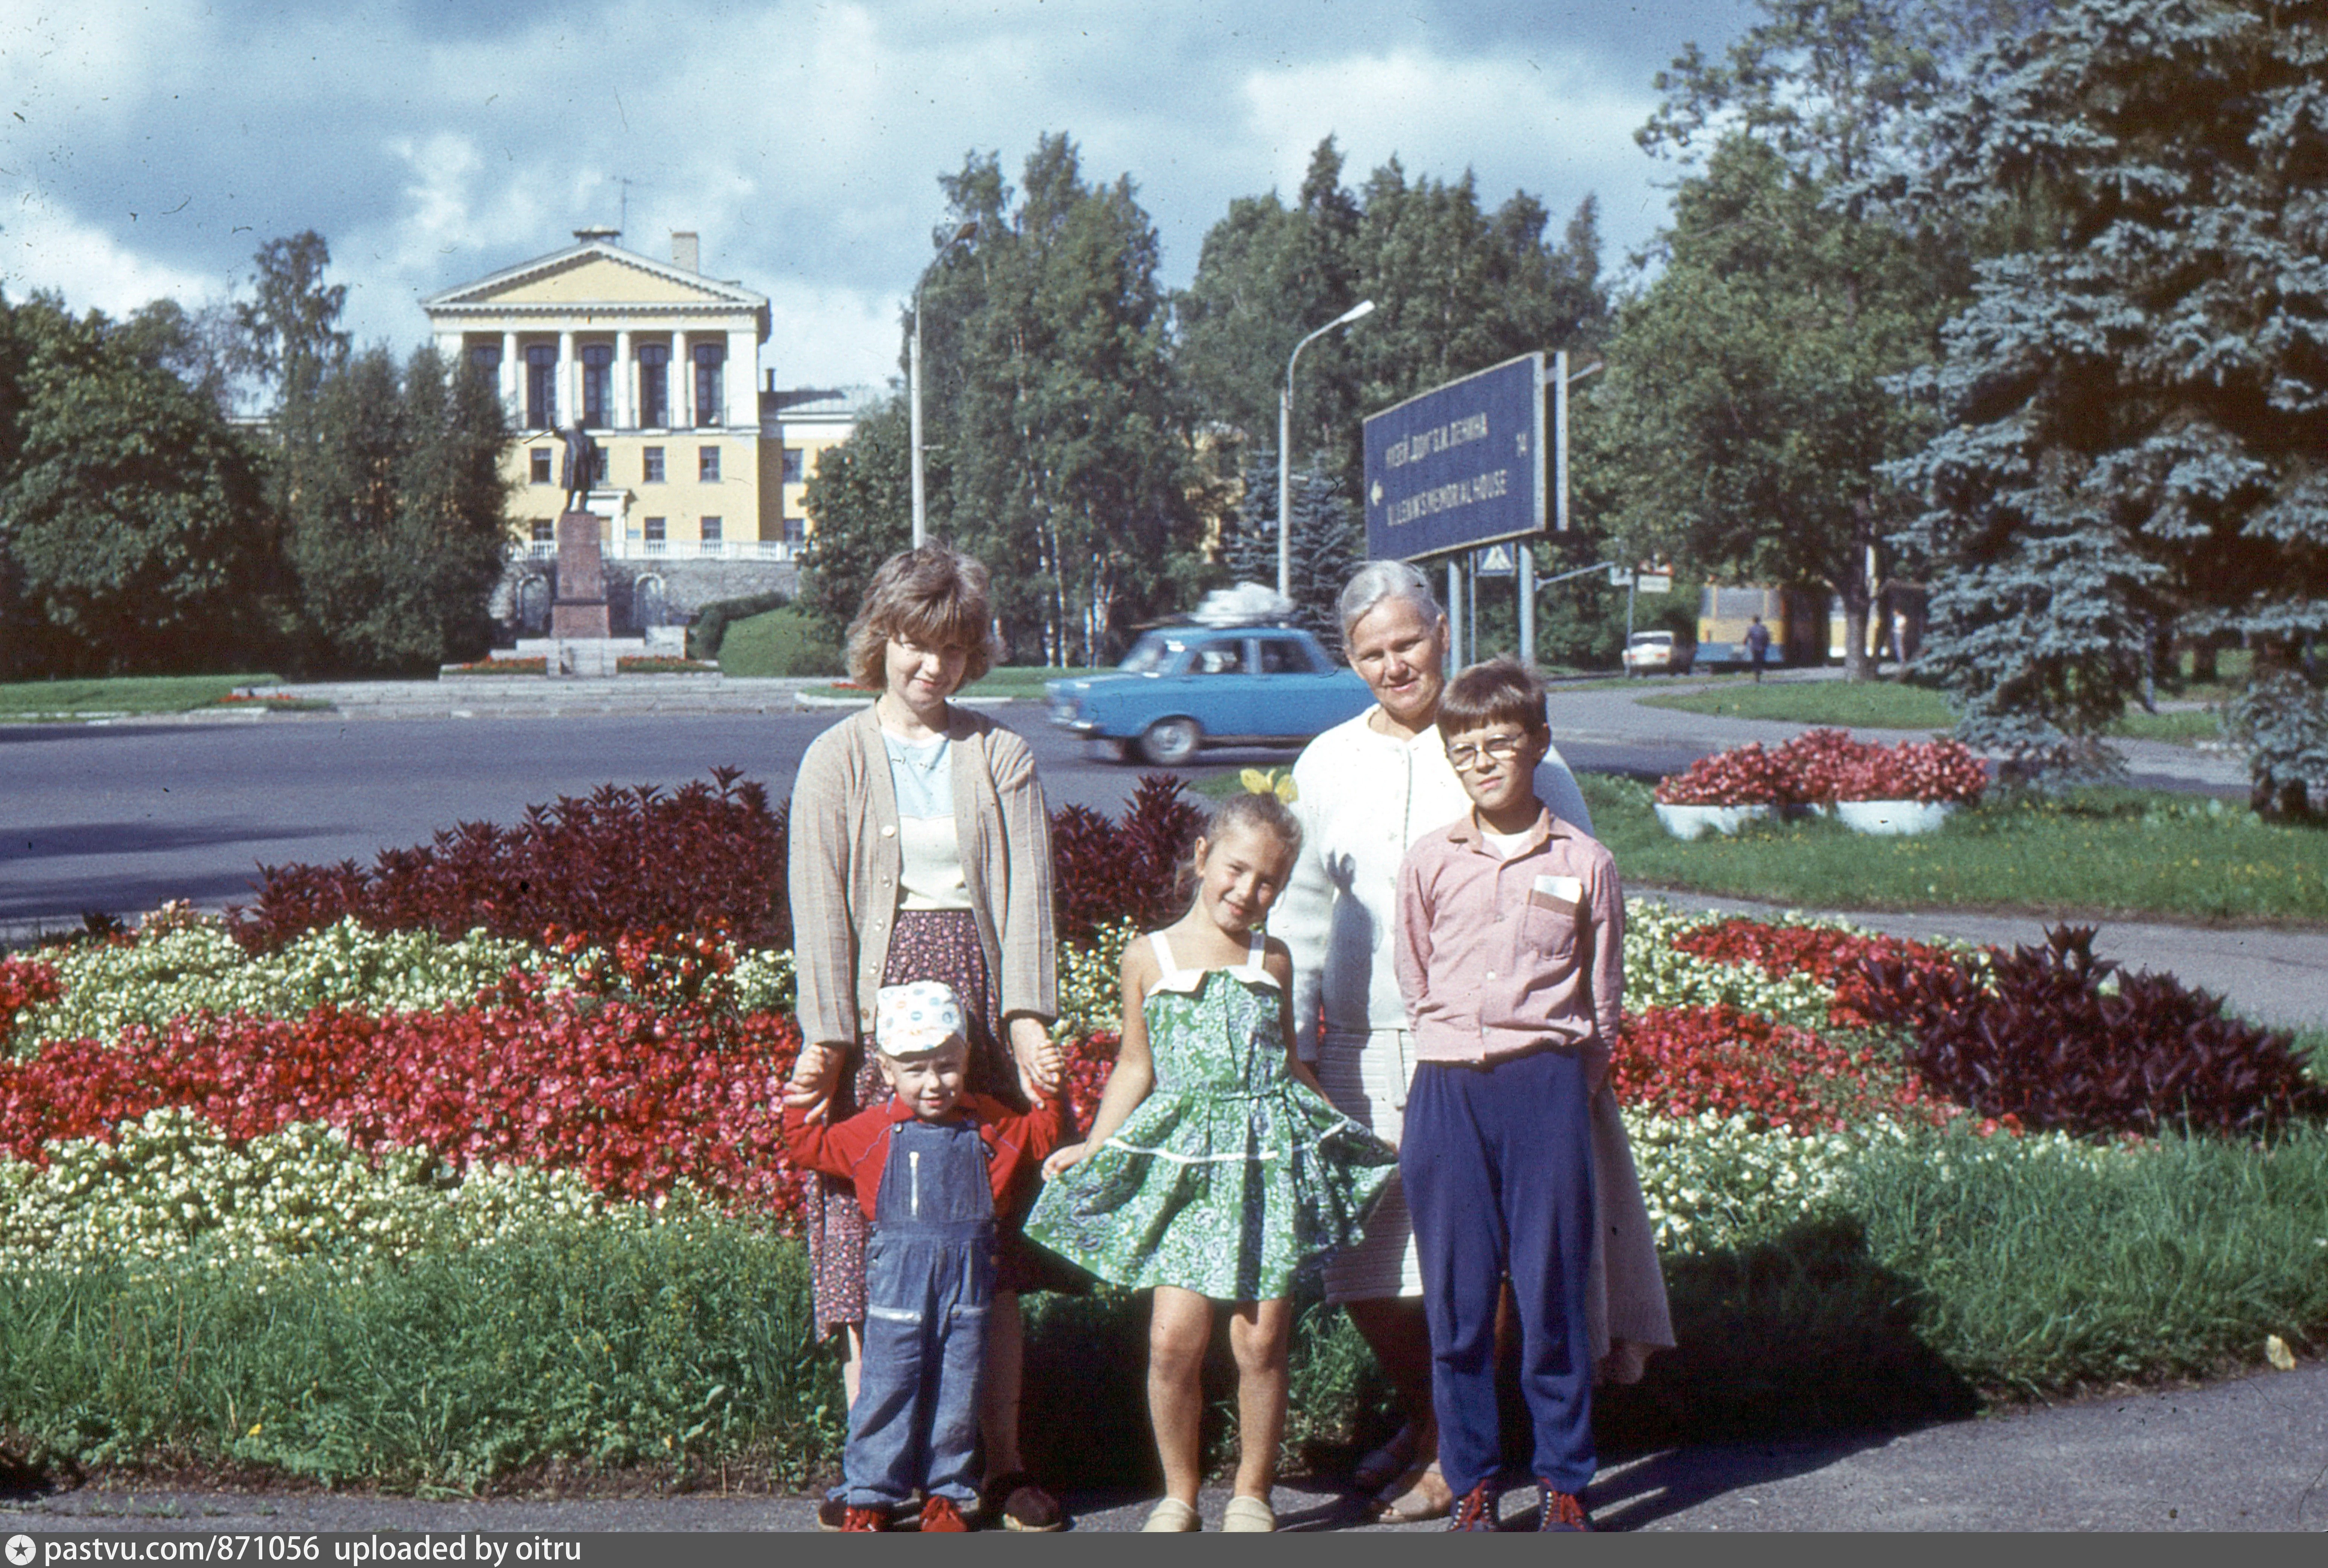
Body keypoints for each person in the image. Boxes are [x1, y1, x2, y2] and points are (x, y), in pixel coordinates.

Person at [1272, 560, 1621, 1522]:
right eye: (1371, 652)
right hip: (1365, 1038)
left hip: (1505, 1046)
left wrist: (1579, 1045)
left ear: (1442, 634)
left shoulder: (1508, 743)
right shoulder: (1328, 761)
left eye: (1408, 642)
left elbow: (1586, 889)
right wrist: (1299, 1035)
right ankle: (1437, 1418)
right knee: (1366, 1264)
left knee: (1487, 1260)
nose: (1394, 664)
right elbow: (1301, 914)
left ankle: (1454, 1455)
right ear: (1352, 660)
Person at [784, 543, 1069, 1532]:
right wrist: (826, 1037)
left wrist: (1027, 1017)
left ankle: (997, 1462)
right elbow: (819, 910)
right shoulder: (836, 757)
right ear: (880, 640)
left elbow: (1028, 898)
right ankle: (879, 1469)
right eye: (912, 642)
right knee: (873, 1248)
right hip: (873, 1024)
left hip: (979, 1019)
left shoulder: (1000, 755)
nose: (929, 666)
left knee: (982, 1252)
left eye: (950, 647)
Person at [1022, 789, 1397, 1533]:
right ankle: (1180, 1493)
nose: (1247, 890)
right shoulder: (1148, 956)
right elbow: (1135, 1064)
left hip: (1262, 1164)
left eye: (1268, 881)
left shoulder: (1274, 957)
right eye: (1236, 868)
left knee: (1261, 1339)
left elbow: (1289, 1063)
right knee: (1172, 1340)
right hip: (1189, 1170)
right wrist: (1097, 1143)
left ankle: (1253, 1492)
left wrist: (1344, 1131)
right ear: (1201, 858)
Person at [1394, 657, 1669, 1532]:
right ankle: (1473, 1479)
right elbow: (1416, 972)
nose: (1481, 759)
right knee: (1460, 1300)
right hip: (1447, 1088)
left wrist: (1556, 1084)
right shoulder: (1431, 860)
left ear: (1538, 744)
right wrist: (1460, 1053)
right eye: (1464, 746)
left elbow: (1603, 1000)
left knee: (1551, 1293)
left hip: (1546, 1088)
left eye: (1499, 742)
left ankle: (1564, 1481)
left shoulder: (1586, 861)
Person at [781, 981, 1064, 1533]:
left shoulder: (990, 1123)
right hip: (897, 1292)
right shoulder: (871, 1131)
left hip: (968, 1290)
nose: (932, 1083)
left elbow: (1042, 1134)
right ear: (886, 1072)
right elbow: (806, 1147)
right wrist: (803, 1094)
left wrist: (1047, 1085)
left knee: (958, 1390)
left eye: (945, 1065)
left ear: (965, 1060)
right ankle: (870, 1493)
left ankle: (948, 1496)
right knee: (886, 1386)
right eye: (914, 1069)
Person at [1745, 614, 1771, 682]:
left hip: (1754, 648)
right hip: (1762, 648)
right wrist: (1767, 644)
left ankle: (1757, 672)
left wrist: (1745, 643)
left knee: (1755, 660)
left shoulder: (1751, 629)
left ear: (1753, 621)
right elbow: (1767, 637)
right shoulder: (1763, 628)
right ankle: (1760, 670)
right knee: (1761, 659)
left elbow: (1747, 638)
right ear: (1760, 621)